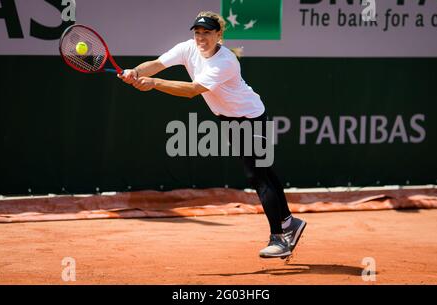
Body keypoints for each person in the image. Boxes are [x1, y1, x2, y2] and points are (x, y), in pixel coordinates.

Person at [118, 11, 306, 259]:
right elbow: (156, 64)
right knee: (265, 173)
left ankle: (279, 238)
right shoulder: (187, 48)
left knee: (258, 176)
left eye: (207, 32)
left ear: (219, 35)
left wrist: (153, 83)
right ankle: (289, 223)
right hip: (230, 119)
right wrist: (135, 71)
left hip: (251, 119)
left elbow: (192, 90)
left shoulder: (225, 60)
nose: (201, 37)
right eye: (197, 32)